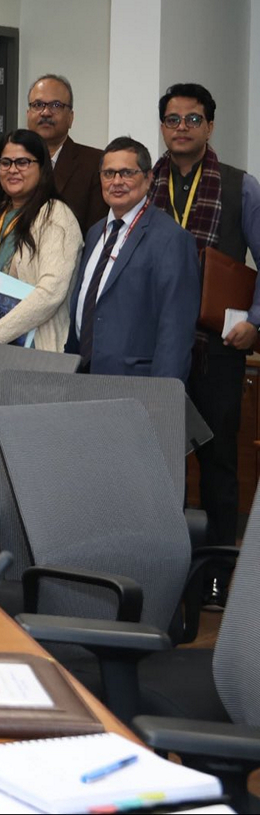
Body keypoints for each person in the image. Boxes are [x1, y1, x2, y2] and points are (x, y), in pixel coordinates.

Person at [147, 83, 260, 554]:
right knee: (157, 456)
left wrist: (255, 321)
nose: (182, 127)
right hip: (154, 346)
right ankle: (164, 560)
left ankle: (217, 566)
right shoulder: (143, 184)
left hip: (216, 347)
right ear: (162, 127)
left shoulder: (240, 186)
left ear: (210, 126)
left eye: (193, 119)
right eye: (173, 119)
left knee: (217, 461)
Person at [66, 136, 198, 380]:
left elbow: (176, 333)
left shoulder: (172, 240)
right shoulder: (95, 233)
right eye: (108, 173)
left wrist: (161, 396)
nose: (117, 182)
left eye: (127, 173)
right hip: (82, 374)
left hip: (135, 383)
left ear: (148, 179)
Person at [0, 128, 82, 357]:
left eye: (23, 162)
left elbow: (50, 293)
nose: (12, 170)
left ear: (42, 167)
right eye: (5, 162)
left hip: (32, 352)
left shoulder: (56, 215)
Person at [27, 74, 107, 234]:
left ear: (71, 117)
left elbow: (97, 233)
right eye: (38, 105)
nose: (45, 112)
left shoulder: (95, 163)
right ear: (28, 114)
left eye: (56, 105)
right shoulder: (6, 166)